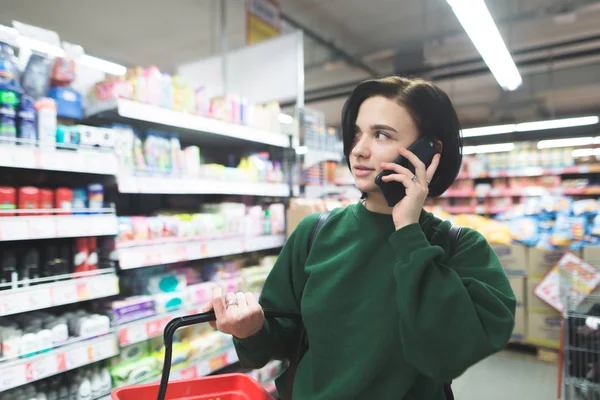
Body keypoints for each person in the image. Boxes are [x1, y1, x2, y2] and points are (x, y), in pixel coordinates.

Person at [204, 76, 516, 399]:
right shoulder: (315, 234)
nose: (358, 150)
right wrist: (250, 329)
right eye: (357, 133)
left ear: (429, 150)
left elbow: (446, 353)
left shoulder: (459, 248)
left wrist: (408, 231)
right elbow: (274, 343)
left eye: (381, 135)